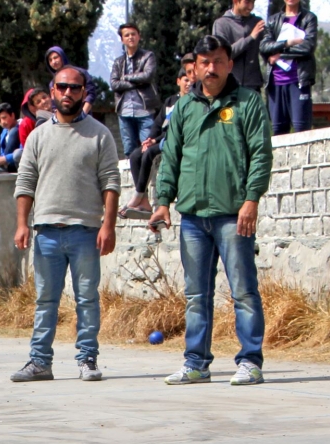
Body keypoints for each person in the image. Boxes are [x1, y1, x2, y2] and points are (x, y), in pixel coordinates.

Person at [150, 35, 273, 387]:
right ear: (195, 67)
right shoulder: (185, 107)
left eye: (218, 61)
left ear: (229, 64)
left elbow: (261, 154)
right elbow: (170, 156)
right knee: (195, 294)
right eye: (204, 62)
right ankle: (196, 364)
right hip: (192, 218)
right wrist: (162, 202)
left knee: (244, 291)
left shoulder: (247, 102)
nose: (211, 68)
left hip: (234, 215)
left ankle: (250, 361)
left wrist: (251, 200)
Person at [10, 65, 120, 383]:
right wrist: (22, 224)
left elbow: (111, 183)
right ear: (52, 90)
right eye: (62, 87)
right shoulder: (38, 136)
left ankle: (87, 359)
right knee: (46, 299)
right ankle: (40, 362)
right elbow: (25, 182)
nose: (68, 93)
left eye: (75, 88)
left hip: (85, 231)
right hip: (45, 232)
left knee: (87, 298)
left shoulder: (99, 134)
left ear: (84, 92)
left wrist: (108, 226)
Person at [121, 60, 194, 217]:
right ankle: (145, 200)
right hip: (159, 138)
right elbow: (158, 123)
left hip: (171, 140)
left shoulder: (191, 103)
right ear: (178, 81)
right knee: (135, 155)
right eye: (186, 80)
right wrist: (149, 139)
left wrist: (155, 141)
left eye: (191, 81)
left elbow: (176, 129)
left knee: (149, 154)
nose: (188, 84)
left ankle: (137, 196)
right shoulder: (170, 101)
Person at [259, 0, 319, 134]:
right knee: (278, 131)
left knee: (302, 130)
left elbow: (308, 47)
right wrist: (287, 43)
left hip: (299, 81)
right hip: (276, 83)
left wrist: (280, 54)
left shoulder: (309, 18)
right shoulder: (273, 20)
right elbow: (264, 46)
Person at [110, 22, 159, 156]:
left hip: (144, 109)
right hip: (124, 111)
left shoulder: (148, 56)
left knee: (147, 146)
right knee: (128, 148)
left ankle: (148, 177)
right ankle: (131, 176)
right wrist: (136, 82)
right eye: (127, 35)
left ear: (139, 36)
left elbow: (147, 76)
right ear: (122, 39)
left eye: (133, 34)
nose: (130, 37)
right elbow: (114, 84)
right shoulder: (118, 62)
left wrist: (126, 77)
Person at [214, 0, 266, 91]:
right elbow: (223, 55)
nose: (250, 7)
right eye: (247, 2)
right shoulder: (221, 24)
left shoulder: (257, 23)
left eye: (253, 2)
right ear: (235, 1)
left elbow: (267, 48)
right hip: (229, 86)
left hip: (253, 85)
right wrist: (251, 38)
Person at [44, 46, 96, 114]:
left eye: (55, 57)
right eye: (50, 60)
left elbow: (91, 94)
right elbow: (54, 104)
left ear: (62, 57)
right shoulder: (52, 83)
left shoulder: (80, 73)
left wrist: (83, 114)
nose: (53, 62)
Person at [0, 103, 20, 173]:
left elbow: (24, 150)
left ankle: (3, 166)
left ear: (12, 115)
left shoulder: (22, 127)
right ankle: (2, 166)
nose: (2, 122)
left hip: (20, 163)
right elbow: (3, 151)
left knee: (14, 131)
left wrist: (6, 159)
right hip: (10, 166)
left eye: (4, 118)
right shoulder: (4, 133)